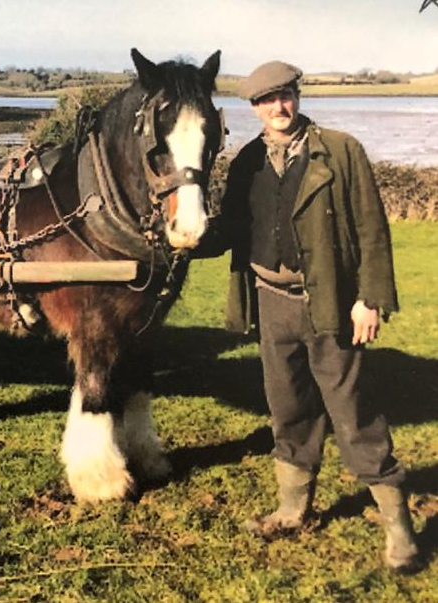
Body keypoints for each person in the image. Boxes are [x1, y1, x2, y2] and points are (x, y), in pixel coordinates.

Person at [204, 60, 420, 573]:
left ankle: (399, 530)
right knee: (288, 408)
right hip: (270, 301)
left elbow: (371, 229)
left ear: (296, 98)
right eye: (266, 101)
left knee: (354, 415)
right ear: (254, 109)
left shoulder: (340, 151)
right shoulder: (247, 162)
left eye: (286, 97)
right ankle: (293, 509)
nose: (278, 108)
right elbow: (230, 230)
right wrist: (179, 237)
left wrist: (370, 299)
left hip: (330, 304)